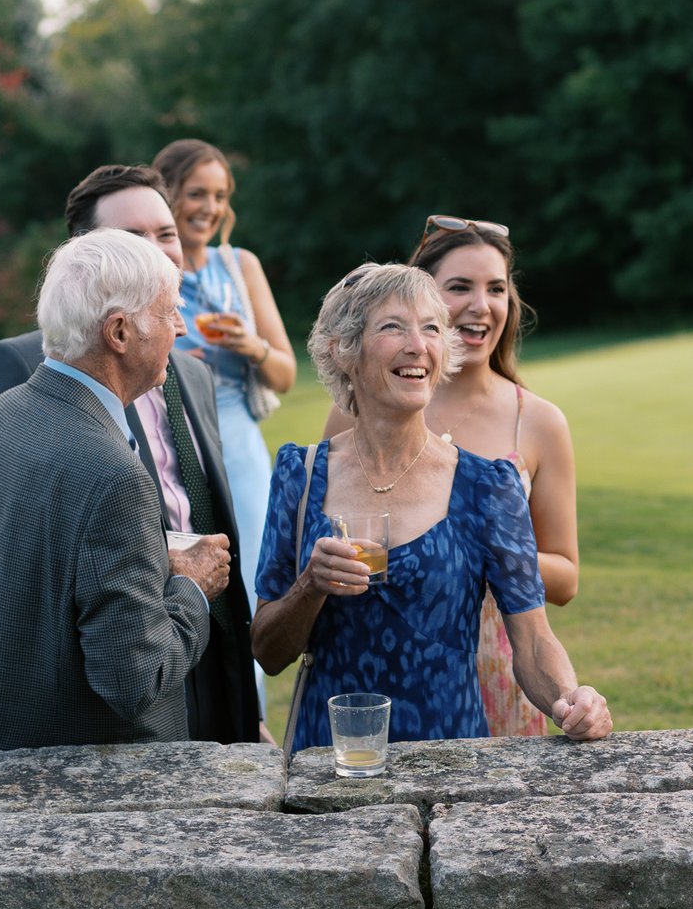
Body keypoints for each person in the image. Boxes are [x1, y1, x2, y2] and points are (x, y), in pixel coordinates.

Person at [0, 166, 263, 744]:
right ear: (119, 332)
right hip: (88, 780)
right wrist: (193, 587)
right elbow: (134, 678)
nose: (180, 327)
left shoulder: (0, 419)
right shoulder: (114, 474)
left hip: (0, 745)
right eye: (167, 313)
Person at [250, 263, 610, 749]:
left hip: (451, 759)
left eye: (432, 328)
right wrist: (310, 587)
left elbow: (532, 641)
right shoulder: (301, 473)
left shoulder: (488, 486)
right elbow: (268, 652)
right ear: (343, 349)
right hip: (331, 761)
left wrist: (572, 698)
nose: (418, 345)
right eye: (393, 326)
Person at [321, 217, 582, 736]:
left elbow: (567, 577)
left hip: (503, 663)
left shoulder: (538, 421)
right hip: (385, 664)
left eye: (496, 289)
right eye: (459, 287)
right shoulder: (358, 409)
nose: (480, 306)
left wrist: (480, 540)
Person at [155, 139, 294, 580]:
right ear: (168, 195)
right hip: (169, 434)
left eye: (220, 196)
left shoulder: (240, 266)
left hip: (237, 440)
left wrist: (251, 346)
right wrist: (174, 360)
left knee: (251, 569)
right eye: (197, 194)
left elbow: (286, 376)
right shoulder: (150, 270)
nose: (210, 208)